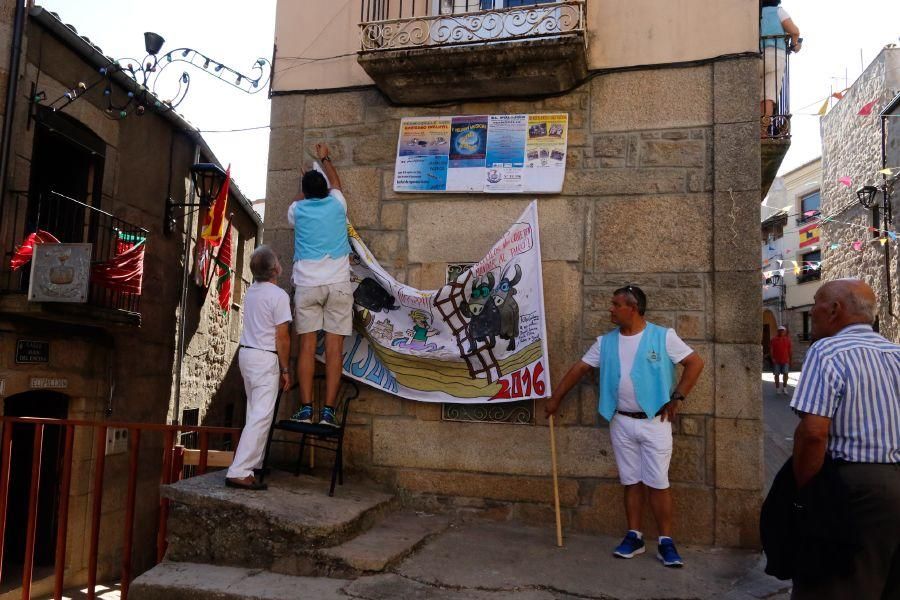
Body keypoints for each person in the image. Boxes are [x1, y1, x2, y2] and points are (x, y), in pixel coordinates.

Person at [545, 286, 704, 568]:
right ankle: (634, 536)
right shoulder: (605, 342)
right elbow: (579, 369)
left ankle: (665, 541)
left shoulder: (663, 336)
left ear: (633, 308)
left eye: (616, 304)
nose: (611, 309)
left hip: (655, 422)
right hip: (620, 420)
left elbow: (695, 363)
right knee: (630, 480)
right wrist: (556, 398)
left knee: (658, 482)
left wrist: (678, 397)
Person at [788, 279, 900, 599]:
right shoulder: (895, 353)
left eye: (816, 303)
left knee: (832, 584)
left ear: (835, 310)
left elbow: (813, 433)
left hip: (854, 487)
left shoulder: (827, 351)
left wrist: (804, 493)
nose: (812, 311)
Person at [287, 143, 353, 427]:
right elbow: (336, 184)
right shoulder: (337, 204)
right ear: (325, 190)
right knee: (334, 349)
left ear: (305, 191)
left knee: (306, 347)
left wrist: (304, 182)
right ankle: (328, 413)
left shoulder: (297, 210)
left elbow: (298, 201)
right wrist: (325, 158)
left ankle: (305, 410)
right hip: (337, 283)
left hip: (306, 285)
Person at [225, 246, 293, 490]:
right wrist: (285, 369)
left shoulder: (251, 292)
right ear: (275, 269)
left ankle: (254, 463)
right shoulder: (279, 296)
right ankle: (240, 470)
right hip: (265, 357)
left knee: (254, 411)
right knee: (261, 416)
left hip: (247, 354)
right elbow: (282, 337)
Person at [759, 0, 801, 136]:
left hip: (757, 56)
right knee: (768, 96)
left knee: (757, 94)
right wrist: (794, 44)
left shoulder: (755, 13)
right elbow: (794, 31)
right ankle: (763, 131)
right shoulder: (778, 11)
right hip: (776, 56)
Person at [770, 325, 792, 395]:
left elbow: (790, 350)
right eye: (780, 331)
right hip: (776, 360)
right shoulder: (773, 340)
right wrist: (772, 358)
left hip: (785, 360)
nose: (781, 332)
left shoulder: (788, 340)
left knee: (786, 374)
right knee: (776, 375)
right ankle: (777, 388)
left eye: (783, 331)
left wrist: (791, 360)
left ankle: (784, 387)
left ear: (784, 332)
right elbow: (771, 349)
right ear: (778, 331)